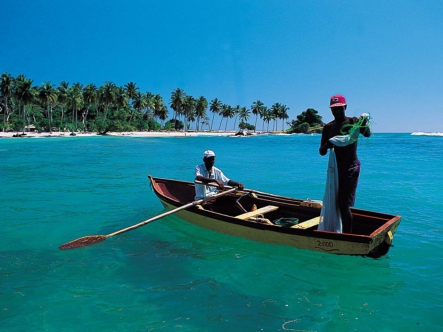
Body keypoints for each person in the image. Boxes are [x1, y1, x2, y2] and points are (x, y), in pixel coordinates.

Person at [319, 94, 371, 233]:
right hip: (335, 170)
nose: (336, 112)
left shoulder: (353, 122)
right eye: (333, 109)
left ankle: (347, 236)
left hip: (351, 168)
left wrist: (363, 123)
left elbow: (367, 134)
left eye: (339, 108)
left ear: (345, 107)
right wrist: (328, 145)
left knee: (343, 204)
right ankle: (339, 229)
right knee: (336, 203)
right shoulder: (328, 128)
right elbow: (321, 151)